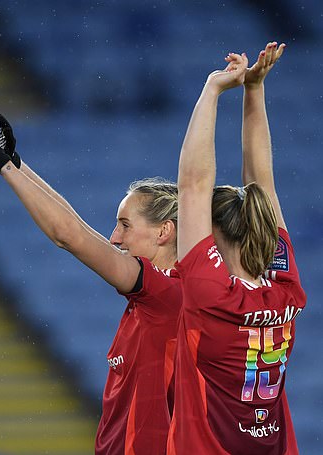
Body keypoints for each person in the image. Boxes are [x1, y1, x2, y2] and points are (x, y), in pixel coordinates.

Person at [0, 95, 182, 454]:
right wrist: (18, 164)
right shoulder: (152, 294)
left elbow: (70, 236)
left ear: (164, 232)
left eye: (125, 226)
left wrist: (3, 168)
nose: (115, 237)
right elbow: (80, 228)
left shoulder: (168, 294)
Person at [169, 43, 305, 454]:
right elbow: (262, 180)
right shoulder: (285, 288)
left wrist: (213, 89)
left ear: (215, 231)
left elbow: (193, 184)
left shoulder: (213, 296)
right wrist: (254, 89)